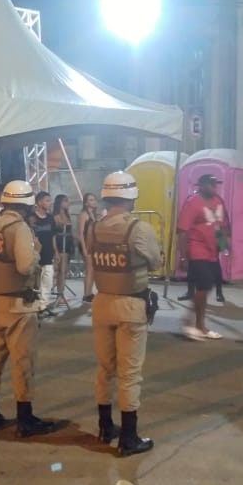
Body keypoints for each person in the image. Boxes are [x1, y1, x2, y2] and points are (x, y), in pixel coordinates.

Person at [0, 180, 58, 437]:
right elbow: (25, 266)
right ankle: (25, 420)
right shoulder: (20, 228)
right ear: (26, 205)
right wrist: (36, 251)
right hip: (19, 305)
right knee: (23, 362)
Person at [86, 172, 163, 456]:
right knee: (129, 374)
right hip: (130, 305)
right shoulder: (139, 229)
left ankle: (105, 426)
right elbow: (155, 262)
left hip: (102, 303)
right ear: (132, 197)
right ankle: (129, 438)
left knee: (105, 369)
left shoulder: (94, 228)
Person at [177, 174, 231, 340]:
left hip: (212, 252)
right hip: (197, 251)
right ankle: (193, 324)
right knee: (203, 287)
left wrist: (224, 245)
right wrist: (183, 257)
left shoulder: (219, 201)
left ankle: (197, 325)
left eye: (216, 184)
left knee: (206, 288)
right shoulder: (192, 203)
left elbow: (221, 226)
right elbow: (182, 232)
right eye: (211, 184)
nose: (215, 188)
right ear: (201, 185)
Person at [28, 191, 57, 314]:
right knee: (35, 281)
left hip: (48, 253)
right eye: (47, 200)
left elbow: (53, 236)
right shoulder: (31, 218)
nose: (50, 203)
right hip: (35, 254)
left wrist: (56, 251)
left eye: (50, 201)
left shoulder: (50, 218)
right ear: (39, 202)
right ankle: (34, 304)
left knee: (48, 279)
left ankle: (43, 305)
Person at [52, 194, 75, 306]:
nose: (67, 203)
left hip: (68, 243)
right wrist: (55, 250)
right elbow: (53, 235)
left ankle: (62, 293)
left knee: (65, 270)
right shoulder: (55, 216)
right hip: (61, 243)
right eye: (65, 201)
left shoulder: (67, 215)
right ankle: (59, 294)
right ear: (59, 203)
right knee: (61, 269)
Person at [77, 192, 100, 303]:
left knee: (92, 270)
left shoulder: (93, 214)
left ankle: (89, 293)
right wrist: (84, 249)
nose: (94, 201)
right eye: (91, 200)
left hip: (93, 244)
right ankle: (86, 294)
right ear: (86, 203)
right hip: (86, 244)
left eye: (94, 199)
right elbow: (81, 233)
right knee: (89, 270)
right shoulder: (84, 214)